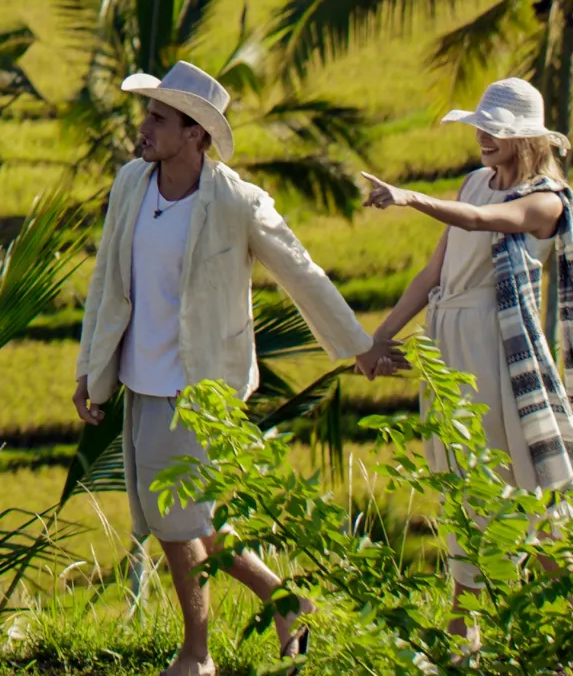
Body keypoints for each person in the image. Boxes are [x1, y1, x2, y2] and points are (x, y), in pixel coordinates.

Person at [72, 61, 378, 676]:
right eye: (148, 114)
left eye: (159, 117)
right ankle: (289, 603)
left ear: (196, 136)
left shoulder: (237, 201)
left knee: (177, 528)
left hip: (198, 389)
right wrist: (90, 370)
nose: (145, 126)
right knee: (194, 523)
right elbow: (107, 282)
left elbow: (301, 272)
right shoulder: (132, 183)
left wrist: (358, 346)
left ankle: (196, 655)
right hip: (140, 382)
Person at [356, 77, 573, 525]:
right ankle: (473, 590)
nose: (482, 136)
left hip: (494, 340)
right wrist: (380, 337)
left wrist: (409, 197)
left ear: (524, 139)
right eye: (480, 126)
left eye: (494, 129)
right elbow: (433, 274)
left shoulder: (546, 201)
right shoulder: (474, 183)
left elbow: (482, 221)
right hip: (447, 334)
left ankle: (555, 581)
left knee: (505, 466)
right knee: (457, 464)